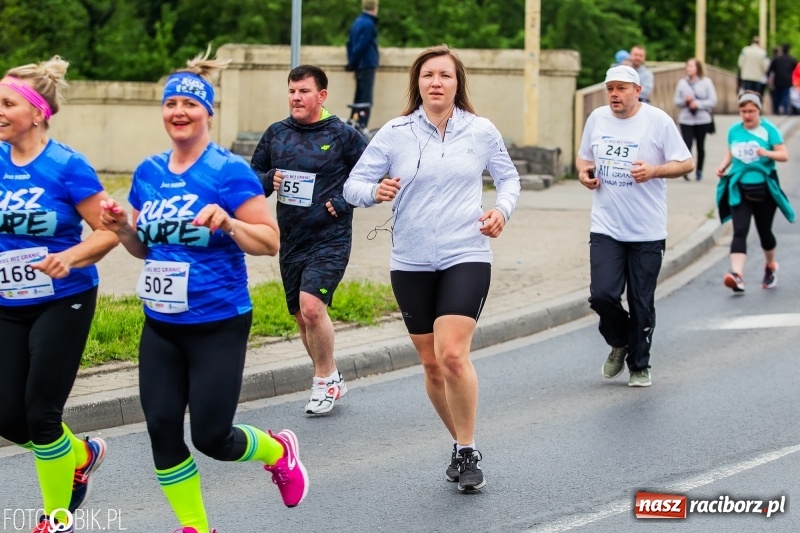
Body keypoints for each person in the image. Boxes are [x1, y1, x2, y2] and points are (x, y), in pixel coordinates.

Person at [99, 49, 308, 533]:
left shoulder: (227, 171)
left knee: (213, 437)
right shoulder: (148, 172)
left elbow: (270, 241)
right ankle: (196, 526)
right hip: (161, 324)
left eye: (189, 105)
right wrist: (121, 229)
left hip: (217, 322)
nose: (178, 112)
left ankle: (279, 450)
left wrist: (230, 221)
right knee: (162, 430)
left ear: (207, 112)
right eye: (171, 104)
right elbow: (140, 247)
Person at [343, 44, 521, 492]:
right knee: (430, 364)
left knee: (452, 354)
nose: (436, 82)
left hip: (467, 253)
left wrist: (502, 211)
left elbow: (509, 178)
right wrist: (374, 193)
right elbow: (352, 186)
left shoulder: (480, 131)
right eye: (428, 76)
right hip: (411, 261)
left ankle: (467, 450)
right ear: (417, 84)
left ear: (457, 82)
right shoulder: (395, 132)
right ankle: (459, 446)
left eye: (444, 75)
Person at [0, 57, 118, 532]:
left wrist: (70, 257)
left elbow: (106, 233)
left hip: (62, 298)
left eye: (7, 103)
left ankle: (56, 518)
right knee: (8, 417)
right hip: (7, 302)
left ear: (38, 113)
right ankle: (81, 453)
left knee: (41, 413)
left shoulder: (68, 166)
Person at [250, 65, 368, 415]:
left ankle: (321, 383)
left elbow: (372, 173)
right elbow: (249, 177)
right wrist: (268, 178)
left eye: (303, 91)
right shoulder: (277, 134)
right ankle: (331, 377)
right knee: (302, 317)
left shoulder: (343, 134)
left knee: (313, 307)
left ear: (322, 95)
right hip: (292, 240)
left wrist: (344, 202)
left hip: (330, 238)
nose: (296, 98)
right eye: (292, 91)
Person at [576, 65, 694, 388]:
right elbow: (584, 159)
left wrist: (654, 170)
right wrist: (585, 175)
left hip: (647, 230)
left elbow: (687, 162)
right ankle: (621, 339)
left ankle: (639, 364)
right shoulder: (597, 119)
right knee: (602, 295)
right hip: (606, 225)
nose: (614, 94)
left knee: (641, 302)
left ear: (637, 90)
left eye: (621, 88)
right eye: (610, 88)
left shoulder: (657, 121)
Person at [714, 92, 794, 293]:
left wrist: (767, 153)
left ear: (759, 111)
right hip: (739, 188)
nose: (747, 115)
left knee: (764, 232)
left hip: (764, 189)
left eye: (751, 111)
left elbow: (784, 155)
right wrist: (723, 166)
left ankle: (770, 266)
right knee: (739, 230)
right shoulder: (734, 131)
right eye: (743, 111)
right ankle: (737, 275)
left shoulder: (768, 130)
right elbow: (730, 152)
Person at [674, 58, 717, 181]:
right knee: (686, 145)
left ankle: (699, 170)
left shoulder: (706, 82)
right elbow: (676, 101)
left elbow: (713, 101)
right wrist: (685, 101)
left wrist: (698, 104)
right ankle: (686, 169)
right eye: (687, 66)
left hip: (702, 119)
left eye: (691, 66)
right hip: (686, 119)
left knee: (700, 146)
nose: (689, 69)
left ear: (698, 68)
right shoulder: (682, 83)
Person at [345, 0, 379, 128]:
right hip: (366, 64)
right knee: (365, 101)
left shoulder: (357, 22)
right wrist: (354, 61)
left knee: (358, 99)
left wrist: (352, 62)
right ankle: (361, 127)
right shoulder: (369, 24)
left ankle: (353, 125)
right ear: (375, 8)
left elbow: (349, 43)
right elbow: (362, 45)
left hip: (359, 66)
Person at [767, 44, 798, 115]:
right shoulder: (792, 60)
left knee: (777, 96)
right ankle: (785, 110)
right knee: (785, 95)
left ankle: (776, 110)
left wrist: (768, 78)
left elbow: (770, 70)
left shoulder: (776, 59)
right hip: (787, 81)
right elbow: (796, 69)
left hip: (777, 81)